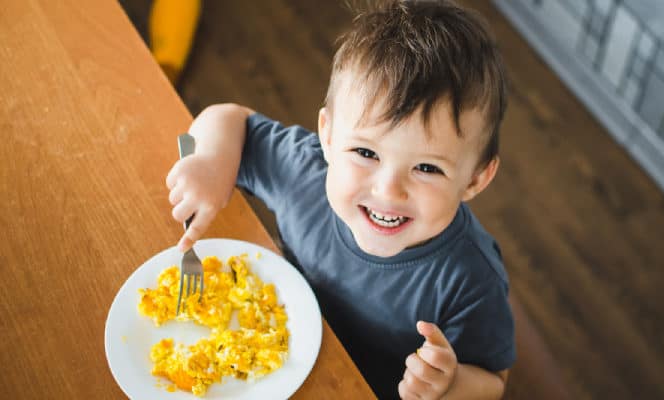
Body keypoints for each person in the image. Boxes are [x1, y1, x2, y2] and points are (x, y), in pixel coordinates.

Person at [165, 1, 515, 398]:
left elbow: (493, 380)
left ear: (475, 179)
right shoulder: (304, 173)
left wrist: (448, 383)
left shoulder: (471, 278)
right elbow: (230, 117)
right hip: (271, 362)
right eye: (366, 153)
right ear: (327, 136)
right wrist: (211, 162)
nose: (388, 190)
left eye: (427, 168)